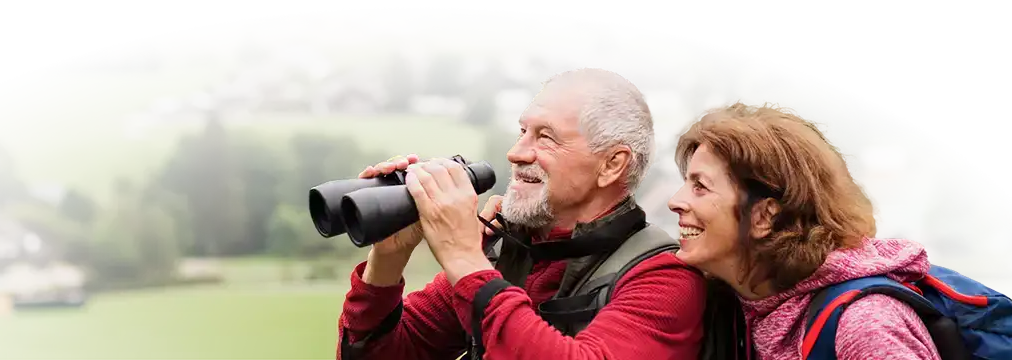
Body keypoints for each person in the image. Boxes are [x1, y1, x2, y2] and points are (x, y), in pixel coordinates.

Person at [335, 68, 714, 360]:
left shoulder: (664, 277)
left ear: (612, 165)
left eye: (545, 137)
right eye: (521, 132)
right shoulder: (508, 249)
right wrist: (389, 256)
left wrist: (463, 257)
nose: (516, 153)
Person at [665, 101, 941, 360]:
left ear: (764, 217)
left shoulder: (866, 326)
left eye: (700, 186)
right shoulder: (736, 308)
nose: (674, 202)